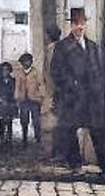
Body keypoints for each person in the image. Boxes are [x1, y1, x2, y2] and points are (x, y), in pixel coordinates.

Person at [51, 8, 105, 174]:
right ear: (71, 25)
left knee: (97, 130)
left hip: (92, 97)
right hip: (73, 97)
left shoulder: (92, 46)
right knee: (70, 130)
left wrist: (99, 87)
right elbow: (56, 72)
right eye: (76, 23)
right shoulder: (62, 47)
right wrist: (72, 85)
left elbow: (99, 69)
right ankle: (75, 164)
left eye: (82, 23)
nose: (80, 27)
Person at [14, 52, 45, 145]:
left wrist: (41, 96)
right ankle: (24, 136)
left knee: (36, 119)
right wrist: (17, 97)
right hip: (24, 99)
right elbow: (17, 86)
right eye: (24, 61)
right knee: (24, 119)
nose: (26, 63)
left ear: (31, 62)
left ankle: (37, 136)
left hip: (34, 99)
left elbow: (41, 84)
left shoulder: (36, 72)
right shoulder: (19, 73)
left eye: (28, 61)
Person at [42, 25, 62, 159]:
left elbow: (50, 72)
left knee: (52, 124)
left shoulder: (52, 49)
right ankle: (55, 152)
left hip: (53, 91)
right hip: (55, 90)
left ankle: (54, 152)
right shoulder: (62, 47)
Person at [0, 61, 16, 145]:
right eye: (3, 70)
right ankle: (2, 138)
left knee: (9, 121)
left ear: (9, 71)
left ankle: (9, 137)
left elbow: (15, 92)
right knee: (1, 121)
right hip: (1, 103)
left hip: (10, 102)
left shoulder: (13, 81)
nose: (5, 72)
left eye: (6, 70)